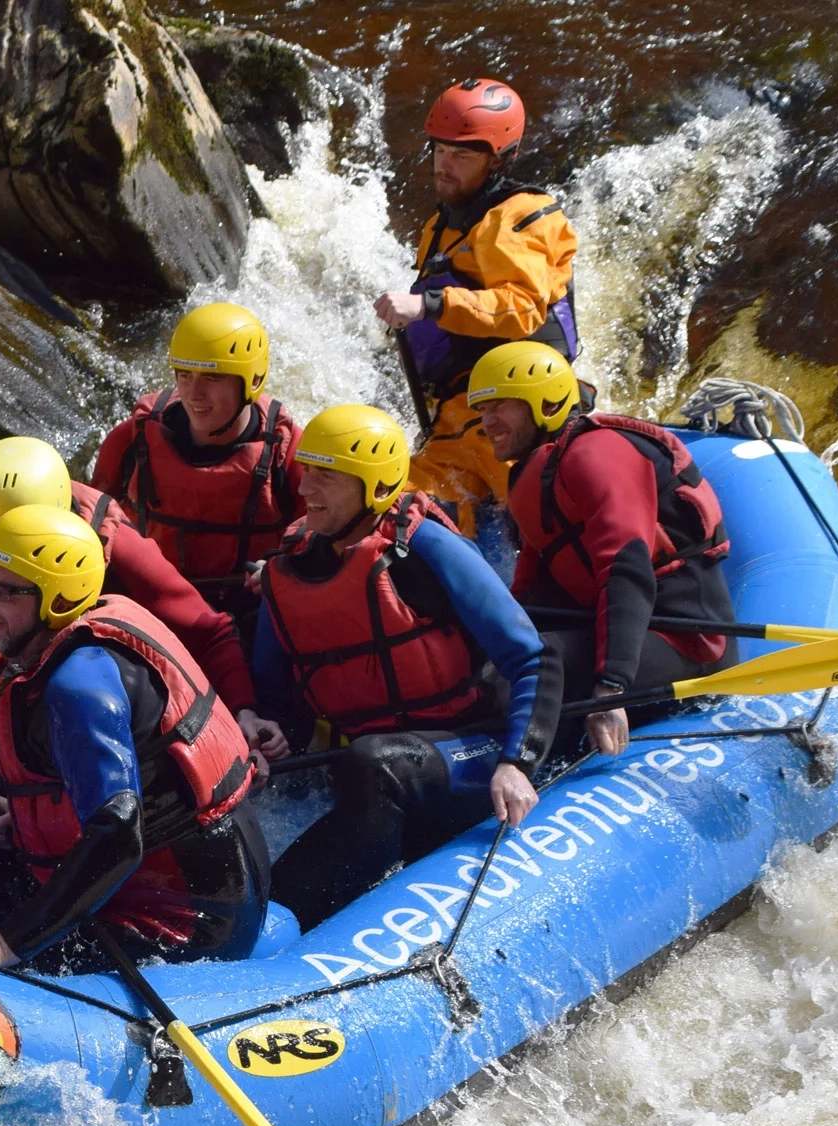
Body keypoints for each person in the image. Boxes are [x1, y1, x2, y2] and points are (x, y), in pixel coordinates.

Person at [0, 504, 270, 971]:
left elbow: (119, 833)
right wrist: (27, 810)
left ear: (57, 600)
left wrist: (4, 944)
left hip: (185, 925)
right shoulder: (78, 639)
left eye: (2, 591)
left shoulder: (79, 685)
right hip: (203, 882)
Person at [253, 405, 549, 928]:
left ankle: (305, 920)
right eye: (306, 469)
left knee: (374, 763)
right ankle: (265, 920)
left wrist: (518, 761)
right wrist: (262, 727)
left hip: (469, 750)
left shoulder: (427, 548)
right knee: (363, 766)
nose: (305, 488)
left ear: (373, 485)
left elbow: (530, 658)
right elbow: (275, 698)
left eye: (326, 474)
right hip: (372, 767)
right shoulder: (289, 567)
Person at [0, 436, 286, 759]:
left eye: (15, 534)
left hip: (96, 690)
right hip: (10, 692)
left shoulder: (116, 547)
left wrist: (244, 710)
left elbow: (208, 632)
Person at [468, 341, 735, 759]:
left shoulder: (597, 452)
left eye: (500, 405)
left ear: (549, 402)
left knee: (540, 662)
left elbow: (626, 568)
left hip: (687, 640)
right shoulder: (534, 477)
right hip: (615, 635)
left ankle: (531, 772)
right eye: (482, 411)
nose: (488, 422)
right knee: (494, 655)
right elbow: (533, 590)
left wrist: (611, 688)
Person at [373, 77, 579, 539]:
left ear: (500, 159)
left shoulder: (520, 216)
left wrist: (429, 303)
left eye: (462, 155)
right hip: (458, 422)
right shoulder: (440, 227)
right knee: (390, 510)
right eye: (440, 151)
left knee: (545, 529)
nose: (444, 166)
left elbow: (522, 308)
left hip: (522, 420)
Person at [91, 302, 303, 626]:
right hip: (150, 603)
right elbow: (91, 519)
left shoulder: (286, 453)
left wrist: (287, 569)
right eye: (184, 375)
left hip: (245, 610)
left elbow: (327, 538)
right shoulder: (131, 440)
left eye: (212, 378)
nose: (194, 394)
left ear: (253, 380)